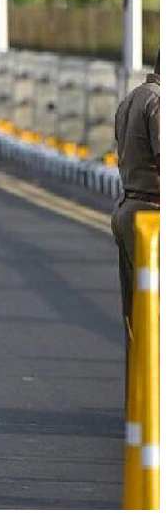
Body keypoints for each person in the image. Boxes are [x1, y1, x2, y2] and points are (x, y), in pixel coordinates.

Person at [111, 56, 159, 348]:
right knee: (154, 315)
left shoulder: (132, 99)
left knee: (137, 315)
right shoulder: (159, 102)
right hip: (152, 215)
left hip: (129, 208)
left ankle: (141, 390)